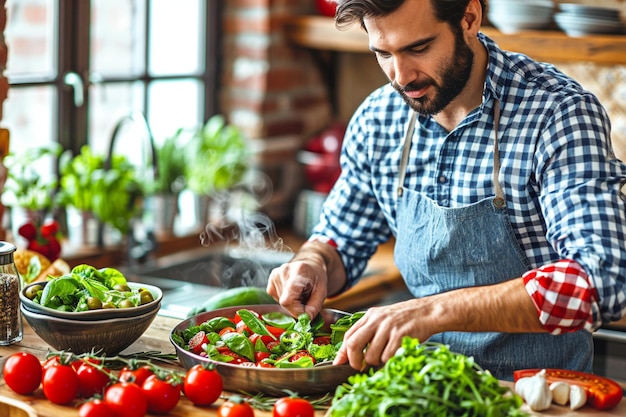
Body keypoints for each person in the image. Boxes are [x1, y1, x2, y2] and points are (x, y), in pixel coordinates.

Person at [267, 0, 626, 380]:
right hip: (423, 388)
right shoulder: (378, 120)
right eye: (382, 53)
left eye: (418, 48)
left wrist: (432, 311)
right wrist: (314, 263)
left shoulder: (558, 113)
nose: (401, 76)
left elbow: (599, 279)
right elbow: (339, 239)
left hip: (540, 395)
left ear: (468, 18)